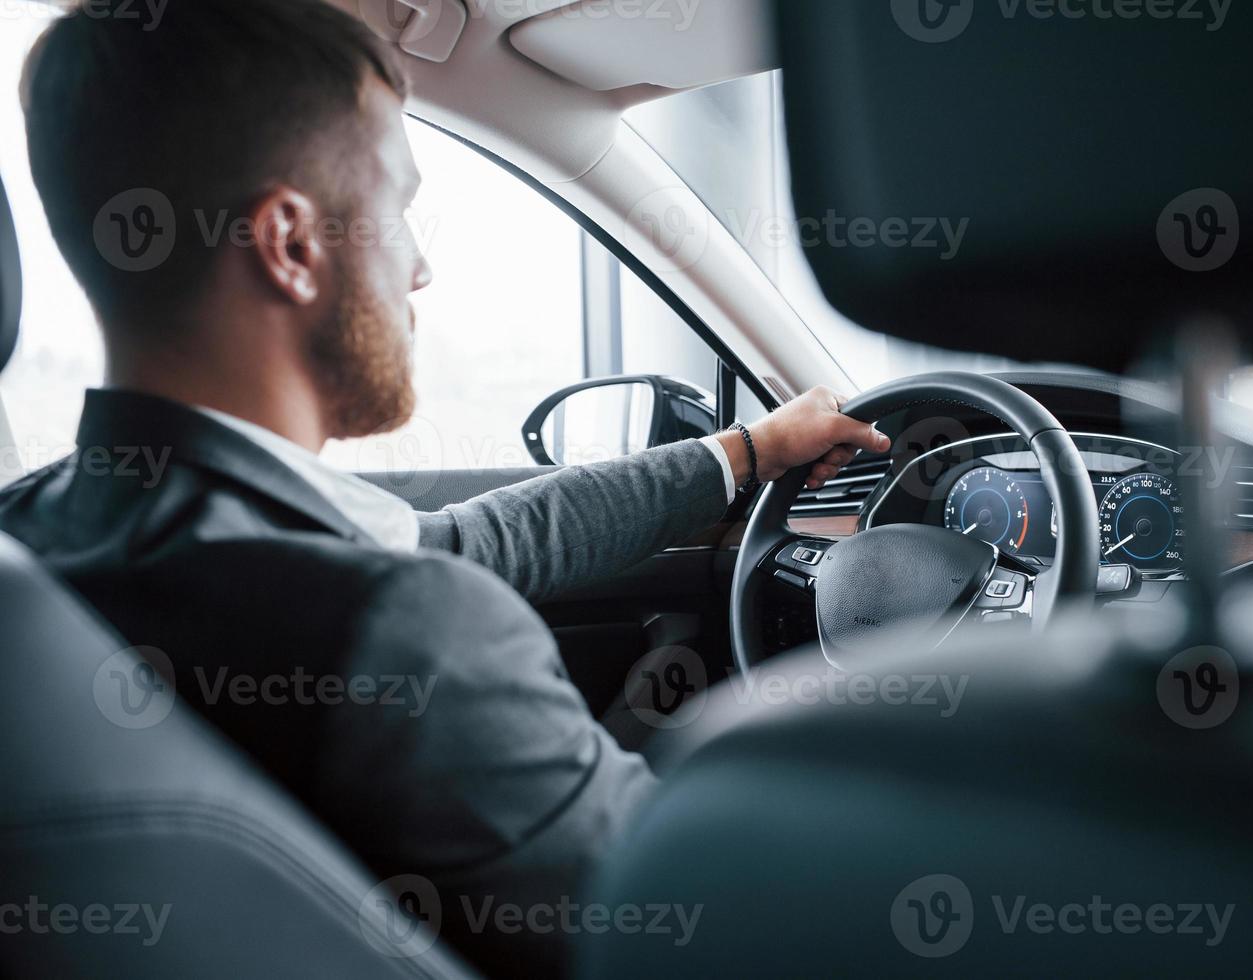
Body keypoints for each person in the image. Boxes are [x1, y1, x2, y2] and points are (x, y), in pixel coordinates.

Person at [0, 0, 889, 973]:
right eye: (396, 209)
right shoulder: (403, 632)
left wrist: (747, 450)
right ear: (291, 246)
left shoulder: (40, 538)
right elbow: (715, 932)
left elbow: (459, 543)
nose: (419, 268)